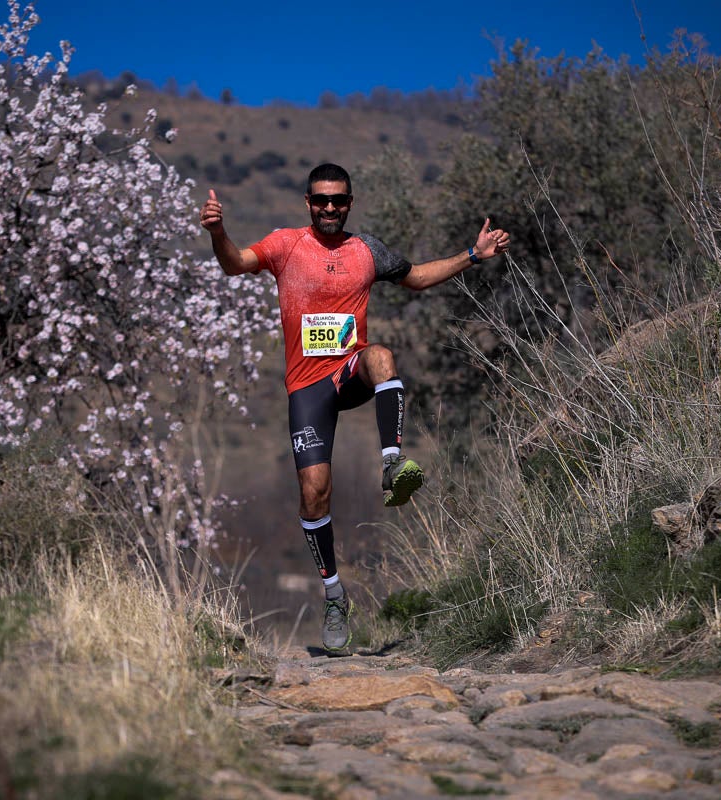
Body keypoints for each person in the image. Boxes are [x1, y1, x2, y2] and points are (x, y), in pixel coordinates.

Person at [200, 163, 510, 651]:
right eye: (321, 200)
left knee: (382, 356)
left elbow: (417, 277)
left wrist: (474, 254)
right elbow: (235, 262)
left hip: (351, 372)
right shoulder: (285, 245)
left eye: (338, 200)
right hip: (307, 390)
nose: (329, 208)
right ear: (307, 202)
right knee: (314, 492)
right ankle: (332, 593)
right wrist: (219, 232)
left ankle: (392, 464)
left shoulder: (366, 251)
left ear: (349, 202)